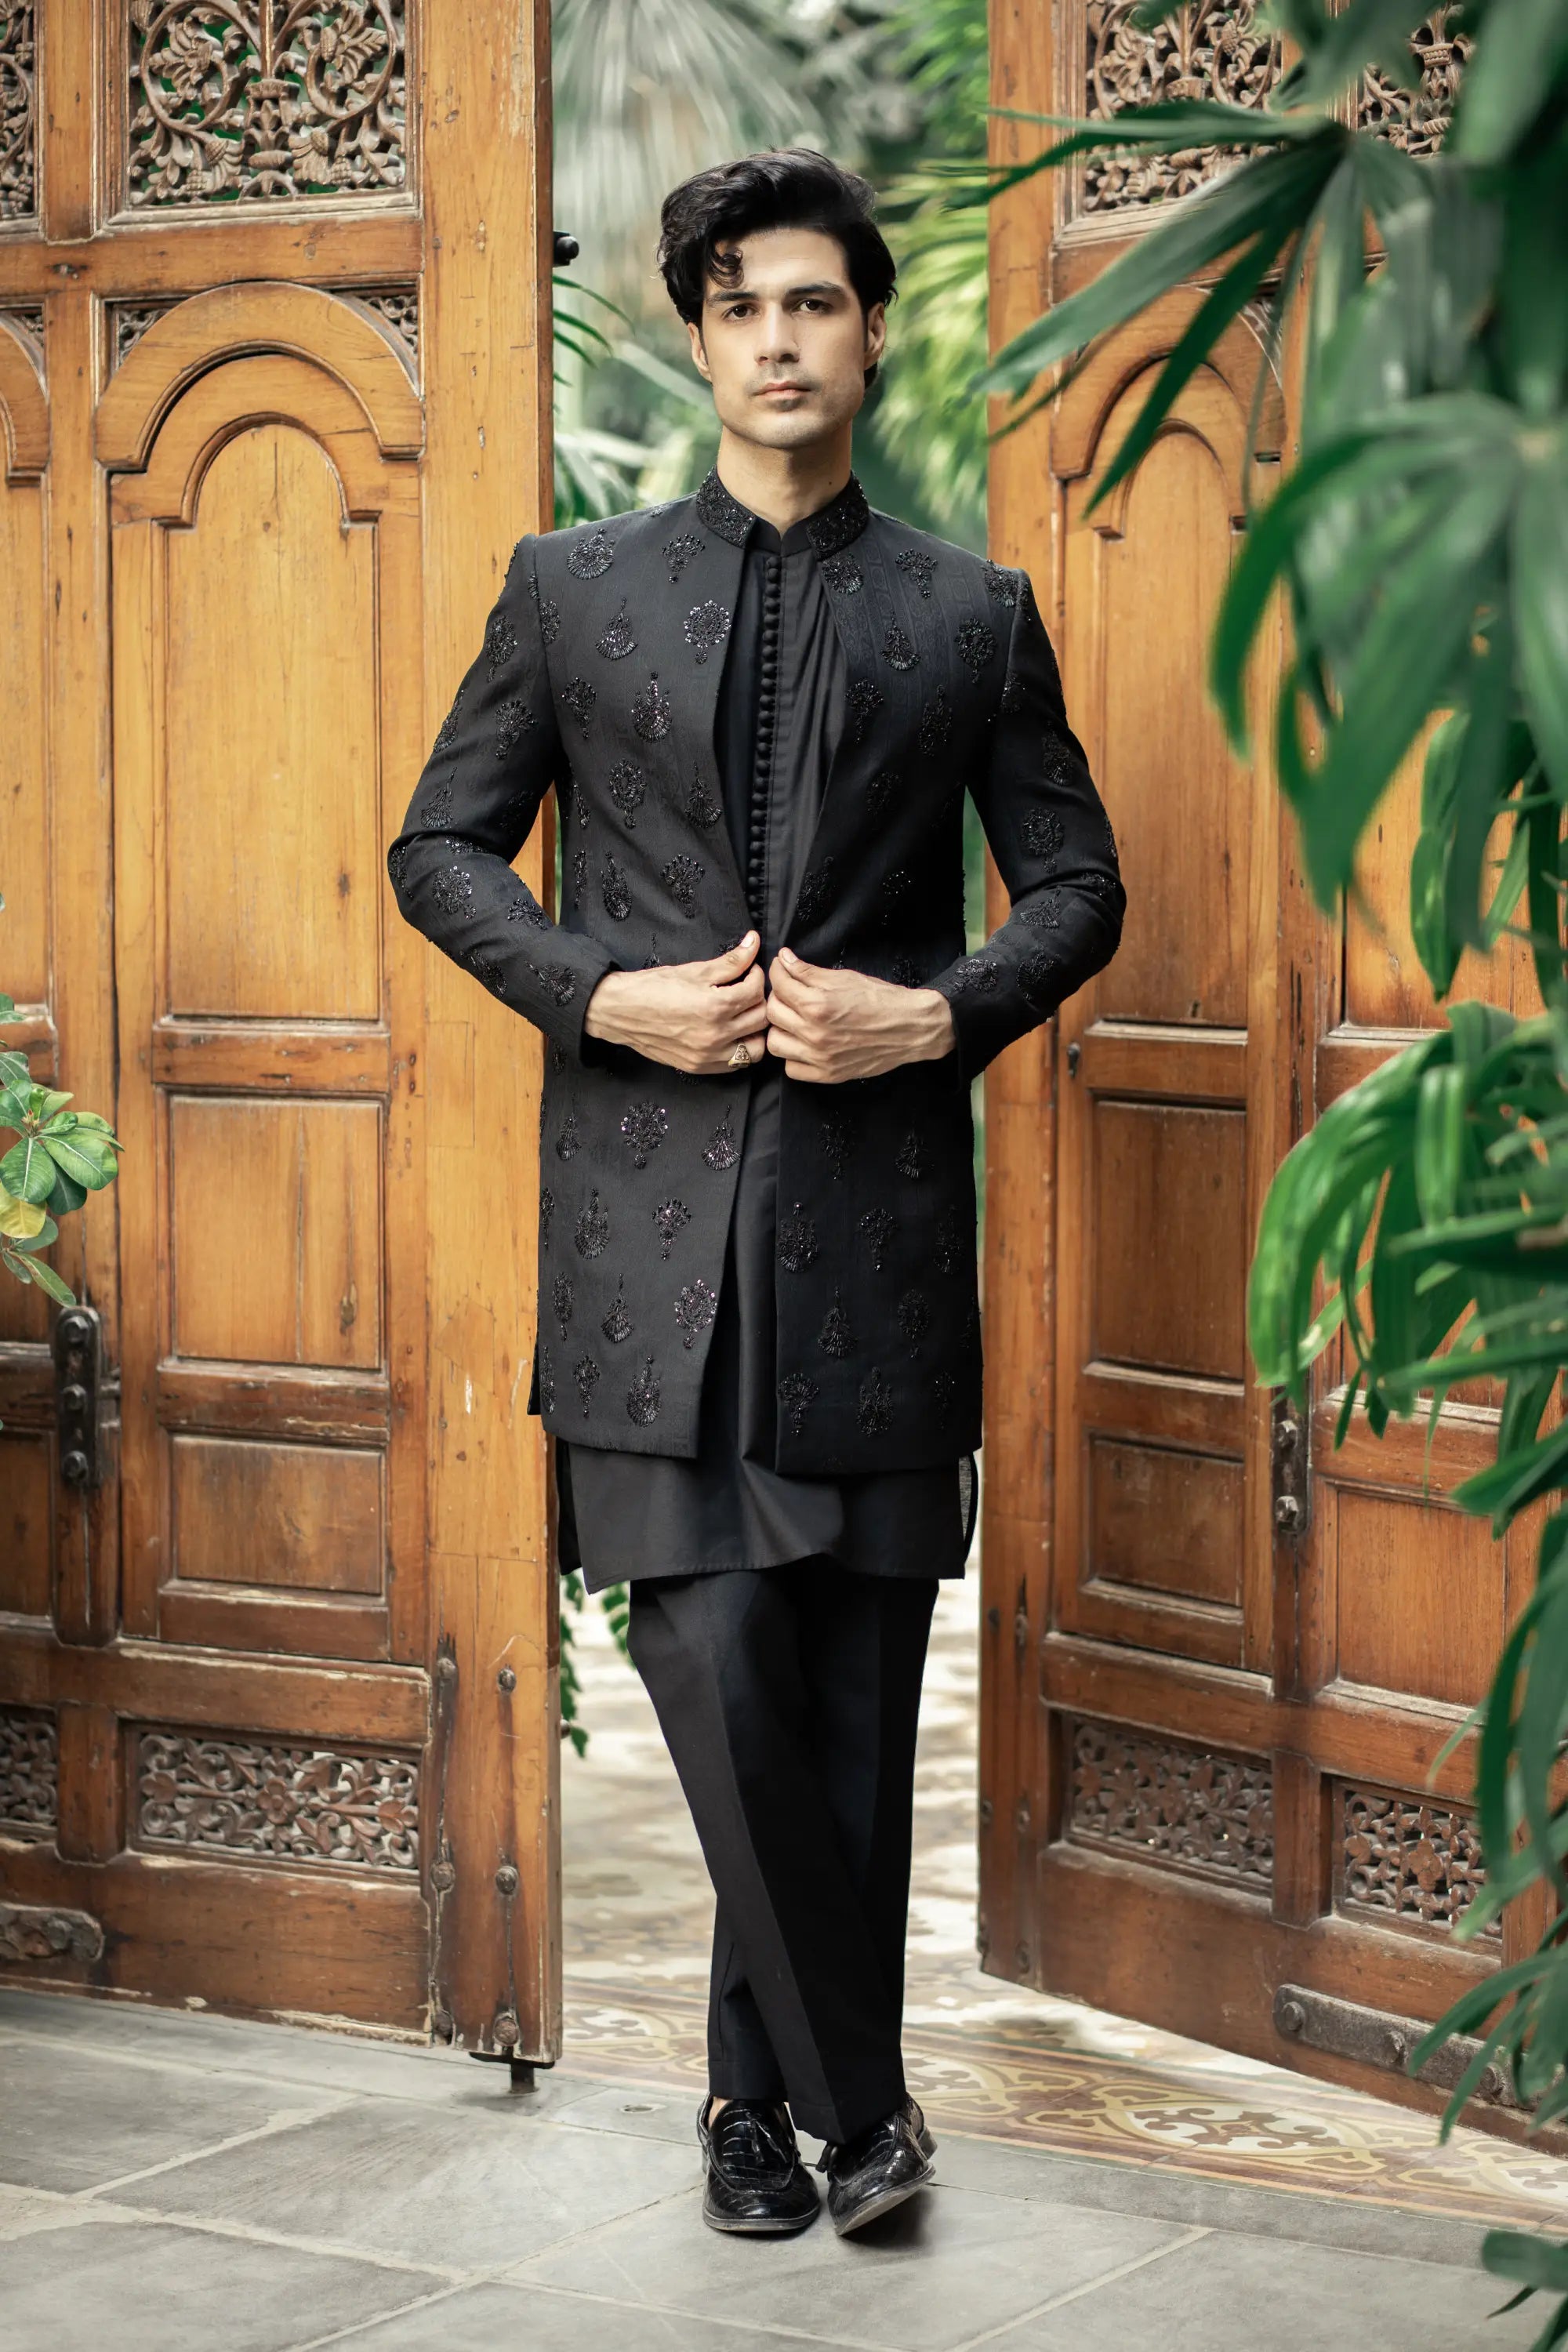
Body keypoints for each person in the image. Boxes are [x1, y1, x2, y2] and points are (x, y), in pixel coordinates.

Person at [388, 148, 1123, 2240]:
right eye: (744, 308)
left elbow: (1078, 886)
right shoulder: (572, 587)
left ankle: (748, 2116)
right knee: (710, 1661)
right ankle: (870, 2107)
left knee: (853, 1714)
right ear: (699, 338)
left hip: (876, 1233)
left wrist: (946, 1016)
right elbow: (442, 849)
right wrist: (601, 990)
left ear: (871, 333)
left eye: (817, 302)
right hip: (640, 1242)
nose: (782, 339)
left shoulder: (971, 617)